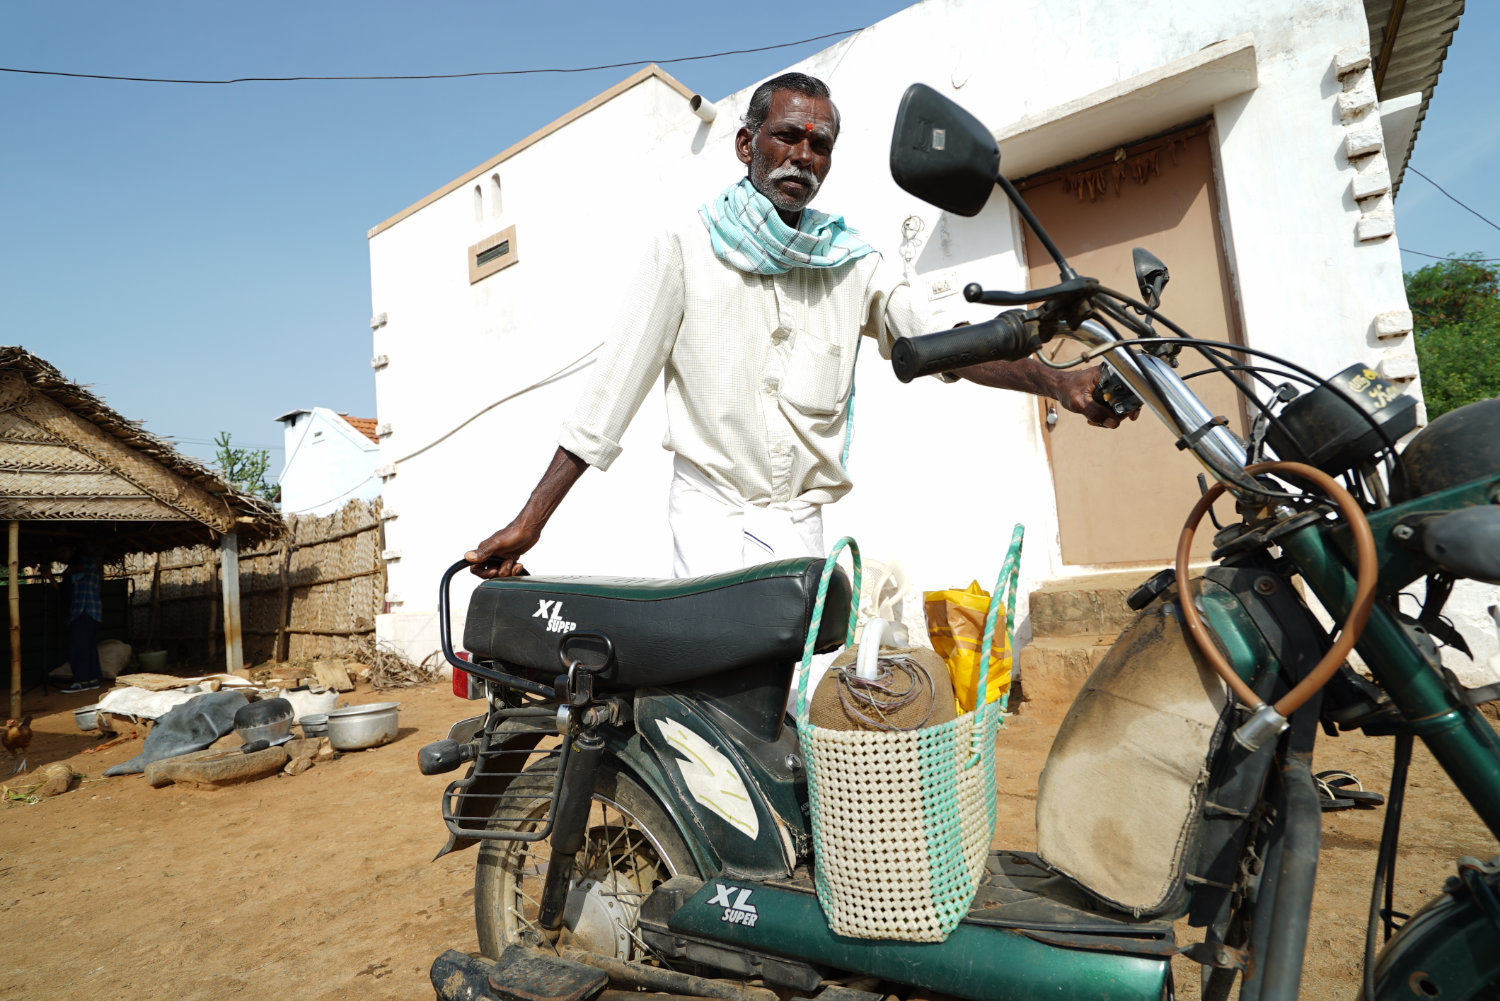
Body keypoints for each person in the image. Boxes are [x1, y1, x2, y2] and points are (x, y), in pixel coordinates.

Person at [467, 73, 1130, 581]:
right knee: (718, 696)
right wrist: (531, 521)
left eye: (820, 144)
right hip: (711, 514)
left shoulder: (850, 262)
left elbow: (940, 346)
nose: (803, 155)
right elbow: (608, 399)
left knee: (796, 698)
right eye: (787, 136)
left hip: (799, 522)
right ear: (746, 144)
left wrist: (1057, 382)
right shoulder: (685, 248)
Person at [58, 544, 104, 694]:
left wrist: (68, 571)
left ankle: (81, 681)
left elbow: (81, 569)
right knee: (88, 648)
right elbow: (63, 590)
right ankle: (92, 680)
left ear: (73, 550)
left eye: (64, 550)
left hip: (84, 611)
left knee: (77, 648)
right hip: (88, 613)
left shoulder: (85, 562)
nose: (61, 555)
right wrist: (51, 577)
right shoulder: (75, 571)